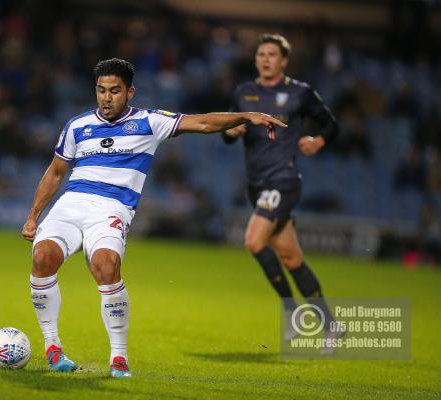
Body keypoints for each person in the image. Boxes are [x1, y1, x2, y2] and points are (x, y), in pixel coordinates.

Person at [21, 58, 286, 377]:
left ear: (130, 92)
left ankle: (119, 358)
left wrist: (246, 116)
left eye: (115, 91)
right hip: (71, 204)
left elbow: (202, 123)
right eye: (101, 90)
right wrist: (34, 215)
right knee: (42, 257)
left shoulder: (150, 122)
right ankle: (53, 348)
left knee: (106, 266)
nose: (107, 97)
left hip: (111, 208)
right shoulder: (77, 126)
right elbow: (55, 173)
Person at [222, 34, 339, 346]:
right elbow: (229, 134)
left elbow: (330, 124)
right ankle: (330, 324)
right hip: (256, 185)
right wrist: (231, 131)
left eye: (272, 54)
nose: (265, 58)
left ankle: (291, 313)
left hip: (284, 179)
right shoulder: (244, 93)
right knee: (290, 257)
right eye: (261, 53)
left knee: (253, 241)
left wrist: (318, 140)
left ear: (284, 61)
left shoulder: (300, 93)